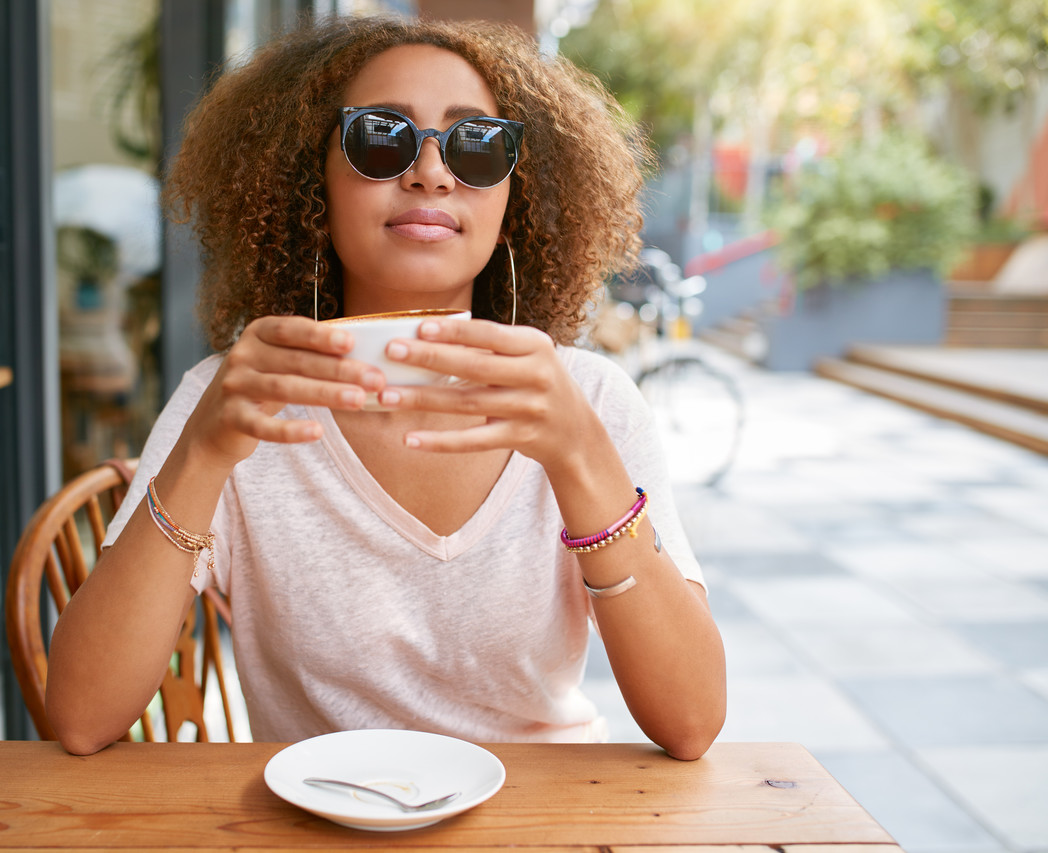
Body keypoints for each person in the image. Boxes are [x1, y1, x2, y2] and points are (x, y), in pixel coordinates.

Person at [45, 15, 726, 760]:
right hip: (317, 825)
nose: (432, 172)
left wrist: (580, 458)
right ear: (313, 183)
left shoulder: (588, 401)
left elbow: (691, 723)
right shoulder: (233, 401)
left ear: (512, 203)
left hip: (544, 823)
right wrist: (201, 456)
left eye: (476, 147)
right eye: (381, 137)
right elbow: (81, 718)